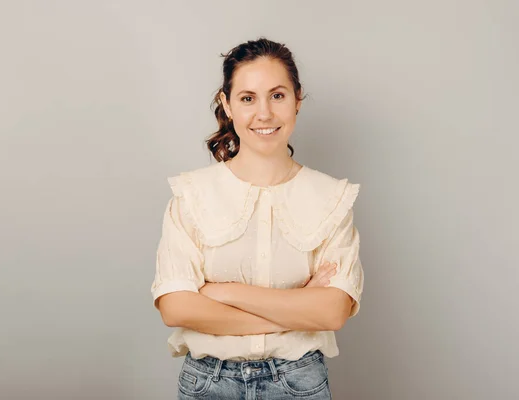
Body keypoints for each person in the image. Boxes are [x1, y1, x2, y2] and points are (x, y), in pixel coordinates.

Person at [151, 37, 364, 399]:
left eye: (277, 95)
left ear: (298, 99)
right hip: (209, 384)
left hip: (299, 383)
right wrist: (296, 311)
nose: (263, 113)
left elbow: (331, 313)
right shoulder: (191, 194)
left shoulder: (331, 197)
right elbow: (176, 307)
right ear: (227, 104)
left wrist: (224, 292)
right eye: (248, 98)